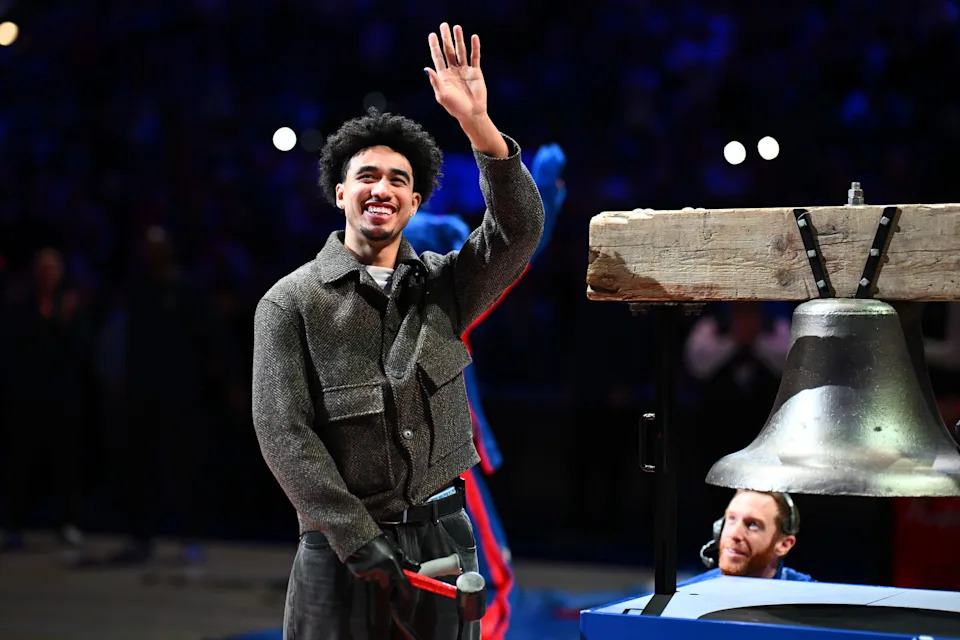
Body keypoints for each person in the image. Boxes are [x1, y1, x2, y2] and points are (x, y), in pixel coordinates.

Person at [251, 22, 544, 639]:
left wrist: (477, 124)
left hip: (443, 542)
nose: (382, 189)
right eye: (367, 176)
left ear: (414, 206)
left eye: (399, 181)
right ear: (340, 194)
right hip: (340, 552)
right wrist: (359, 542)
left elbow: (518, 233)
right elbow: (285, 436)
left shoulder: (446, 286)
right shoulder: (289, 304)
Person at [683, 489, 813, 585]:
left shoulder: (813, 602)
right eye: (732, 518)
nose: (734, 534)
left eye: (752, 525)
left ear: (784, 544)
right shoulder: (685, 596)